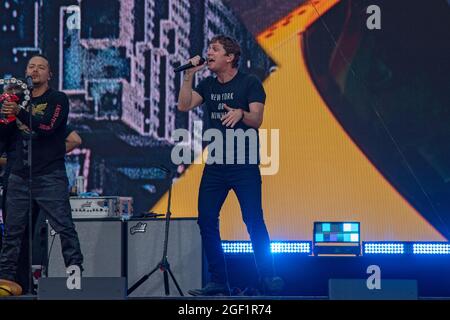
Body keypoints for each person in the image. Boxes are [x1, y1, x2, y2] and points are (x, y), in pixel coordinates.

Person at [177, 35, 283, 296]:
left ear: (230, 57)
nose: (208, 53)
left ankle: (268, 277)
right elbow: (184, 105)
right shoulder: (208, 85)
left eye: (214, 50)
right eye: (208, 49)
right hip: (216, 165)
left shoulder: (250, 83)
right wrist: (188, 75)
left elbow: (256, 119)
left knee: (253, 220)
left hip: (243, 165)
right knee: (207, 220)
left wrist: (240, 113)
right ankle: (218, 281)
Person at [0, 54, 83, 295]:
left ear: (50, 74)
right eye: (31, 67)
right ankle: (5, 282)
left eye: (41, 67)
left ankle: (74, 276)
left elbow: (47, 126)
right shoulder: (18, 100)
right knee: (12, 233)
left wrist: (19, 113)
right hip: (18, 176)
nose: (35, 71)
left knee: (64, 228)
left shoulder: (57, 99)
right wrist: (6, 118)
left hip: (50, 176)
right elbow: (4, 142)